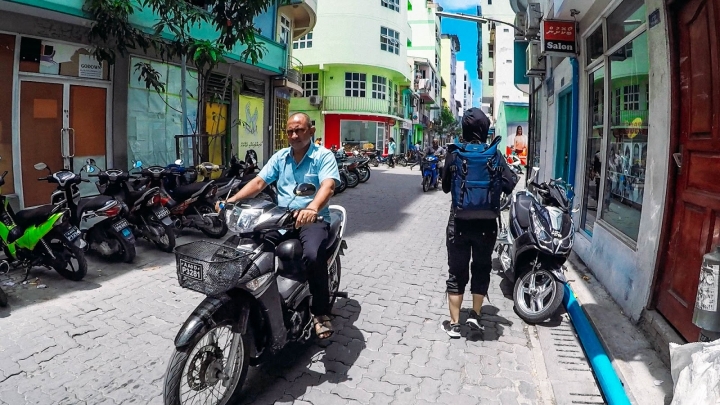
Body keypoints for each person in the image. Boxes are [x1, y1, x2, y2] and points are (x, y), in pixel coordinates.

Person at [217, 112, 340, 339]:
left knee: (313, 256)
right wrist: (231, 201)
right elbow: (259, 182)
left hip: (312, 219)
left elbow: (328, 186)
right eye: (290, 131)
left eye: (299, 130)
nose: (294, 135)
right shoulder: (281, 157)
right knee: (247, 244)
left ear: (311, 132)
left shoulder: (323, 156)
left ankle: (320, 313)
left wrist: (312, 208)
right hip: (280, 217)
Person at [441, 108, 504, 338]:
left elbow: (446, 186)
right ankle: (476, 315)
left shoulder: (455, 152)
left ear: (464, 128)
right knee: (481, 267)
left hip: (458, 224)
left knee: (456, 272)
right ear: (485, 128)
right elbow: (508, 183)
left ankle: (455, 324)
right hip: (487, 225)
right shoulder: (494, 154)